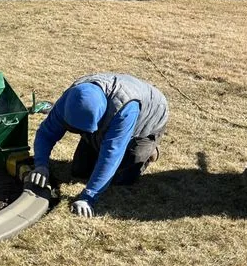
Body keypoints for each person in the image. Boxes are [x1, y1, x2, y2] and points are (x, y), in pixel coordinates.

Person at [26, 73, 169, 216]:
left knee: (121, 178)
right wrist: (41, 165)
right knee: (80, 171)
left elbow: (112, 154)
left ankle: (150, 150)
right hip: (103, 122)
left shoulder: (125, 109)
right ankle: (98, 138)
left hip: (149, 120)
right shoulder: (70, 98)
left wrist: (89, 196)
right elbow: (46, 133)